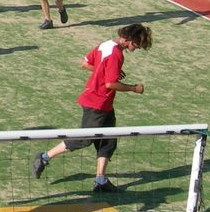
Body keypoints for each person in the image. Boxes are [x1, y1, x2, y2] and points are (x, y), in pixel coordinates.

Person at [32, 23, 154, 193]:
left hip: (103, 103)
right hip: (97, 103)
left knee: (108, 140)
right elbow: (110, 84)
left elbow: (85, 64)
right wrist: (134, 88)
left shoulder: (106, 45)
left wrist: (105, 70)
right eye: (137, 44)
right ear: (129, 39)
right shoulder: (117, 55)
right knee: (84, 139)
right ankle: (44, 157)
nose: (137, 48)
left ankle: (100, 180)